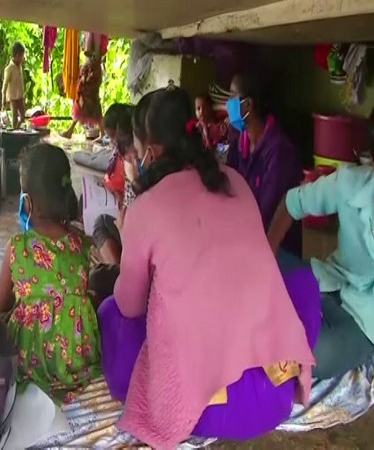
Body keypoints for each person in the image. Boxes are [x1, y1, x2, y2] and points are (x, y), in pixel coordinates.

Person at [109, 87, 314, 447]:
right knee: (299, 282)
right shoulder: (234, 179)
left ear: (152, 153)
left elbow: (130, 306)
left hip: (206, 408)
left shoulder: (145, 207)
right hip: (275, 392)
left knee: (111, 313)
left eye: (140, 153)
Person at [267, 100, 374, 379]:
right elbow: (292, 203)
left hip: (367, 322)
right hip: (326, 280)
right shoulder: (350, 184)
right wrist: (266, 256)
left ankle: (277, 326)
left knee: (316, 354)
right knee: (249, 262)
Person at [0, 143, 101, 403]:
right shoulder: (81, 243)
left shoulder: (17, 246)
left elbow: (1, 304)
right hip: (76, 355)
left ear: (28, 202)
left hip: (31, 356)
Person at [226, 72, 303, 257]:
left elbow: (266, 212)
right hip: (246, 241)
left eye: (232, 97)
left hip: (277, 250)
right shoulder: (239, 141)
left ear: (248, 105)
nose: (228, 104)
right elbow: (228, 184)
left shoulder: (279, 151)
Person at [93, 97, 150, 265]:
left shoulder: (151, 176)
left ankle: (118, 269)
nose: (134, 162)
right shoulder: (132, 163)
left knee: (101, 224)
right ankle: (117, 267)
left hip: (139, 241)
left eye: (136, 156)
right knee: (101, 221)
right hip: (129, 229)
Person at [60, 48, 104, 139]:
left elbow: (93, 54)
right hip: (89, 77)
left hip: (91, 77)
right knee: (82, 106)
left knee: (93, 108)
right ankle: (70, 130)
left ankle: (70, 130)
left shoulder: (97, 38)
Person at [2, 42, 26, 129]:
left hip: (20, 96)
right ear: (17, 55)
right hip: (13, 97)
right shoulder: (9, 69)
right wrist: (3, 99)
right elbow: (4, 86)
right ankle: (15, 131)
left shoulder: (20, 66)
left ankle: (17, 128)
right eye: (21, 56)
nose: (22, 58)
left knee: (23, 117)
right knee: (15, 116)